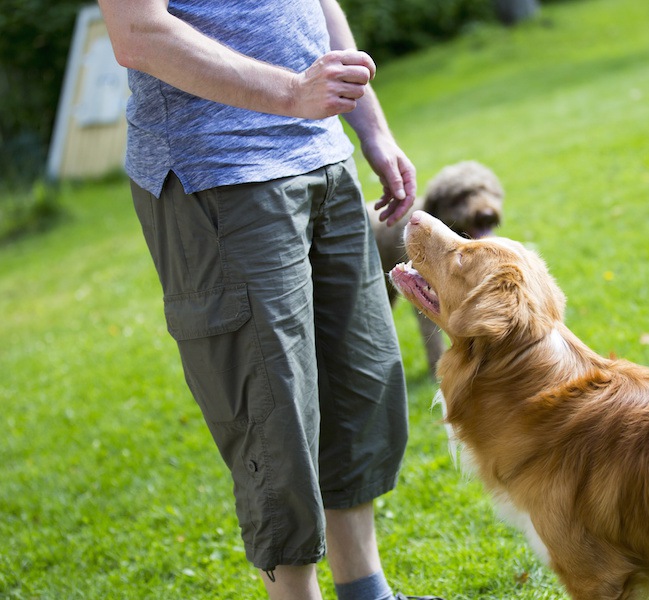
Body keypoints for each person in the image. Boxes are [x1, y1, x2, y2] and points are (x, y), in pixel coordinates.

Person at [98, 1, 439, 599]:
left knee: (358, 385)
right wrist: (291, 92)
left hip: (322, 158)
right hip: (221, 173)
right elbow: (138, 33)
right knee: (272, 411)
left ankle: (367, 593)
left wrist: (372, 129)